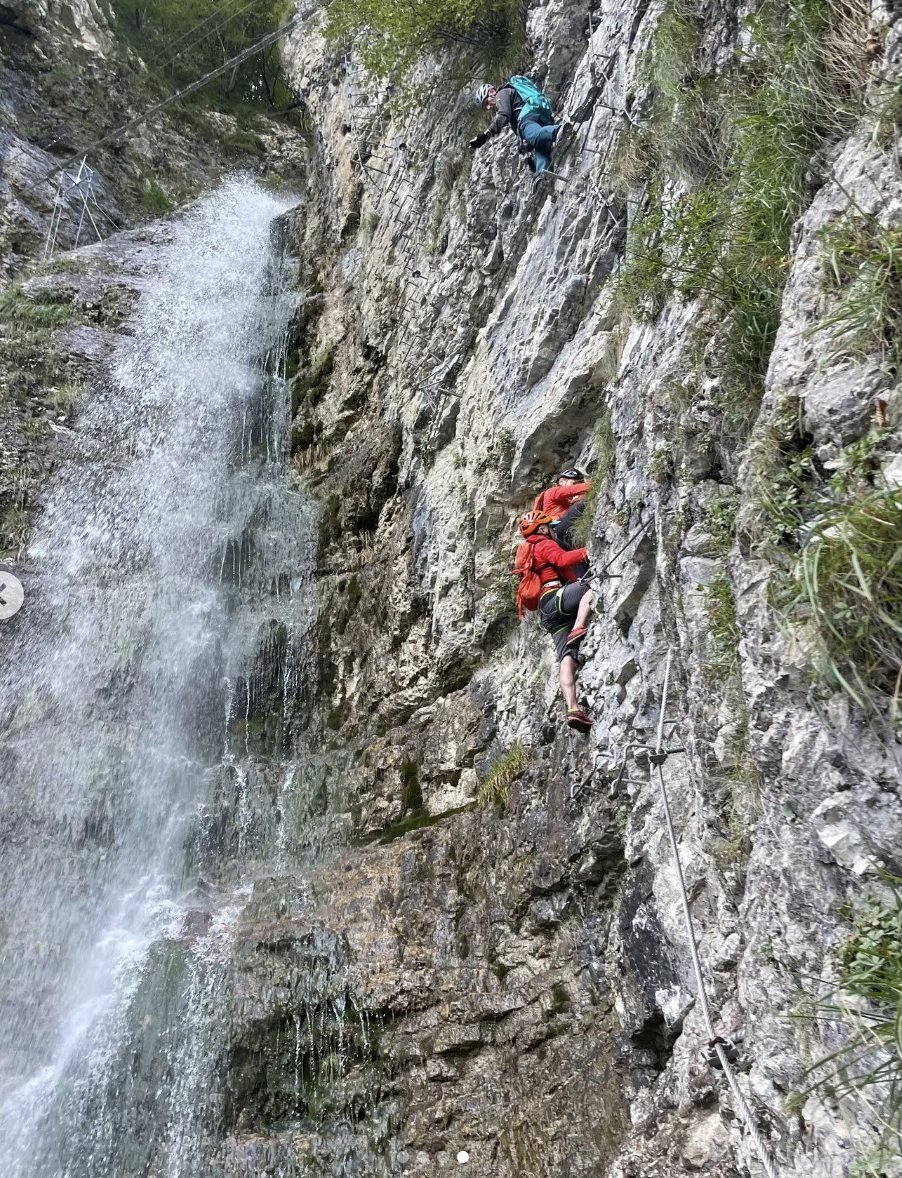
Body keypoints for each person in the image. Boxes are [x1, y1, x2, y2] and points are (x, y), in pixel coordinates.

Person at [516, 509, 594, 733]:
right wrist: (589, 550)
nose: (552, 529)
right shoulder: (542, 543)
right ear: (542, 529)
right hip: (556, 597)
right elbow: (562, 558)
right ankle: (579, 625)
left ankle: (573, 708)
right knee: (592, 584)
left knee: (566, 656)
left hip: (547, 612)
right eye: (549, 526)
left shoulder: (529, 551)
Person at [469, 79, 571, 181]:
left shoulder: (501, 94)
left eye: (487, 103)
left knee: (534, 136)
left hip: (527, 118)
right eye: (485, 107)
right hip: (541, 116)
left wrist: (486, 134)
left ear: (491, 92)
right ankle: (542, 174)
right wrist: (524, 146)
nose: (488, 108)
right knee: (539, 146)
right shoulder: (511, 95)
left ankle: (560, 131)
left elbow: (503, 116)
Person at [534, 466, 592, 553]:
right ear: (561, 481)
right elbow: (571, 490)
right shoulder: (552, 492)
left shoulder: (566, 502)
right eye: (574, 483)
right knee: (584, 502)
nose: (577, 485)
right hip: (557, 527)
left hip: (558, 537)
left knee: (576, 558)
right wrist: (595, 484)